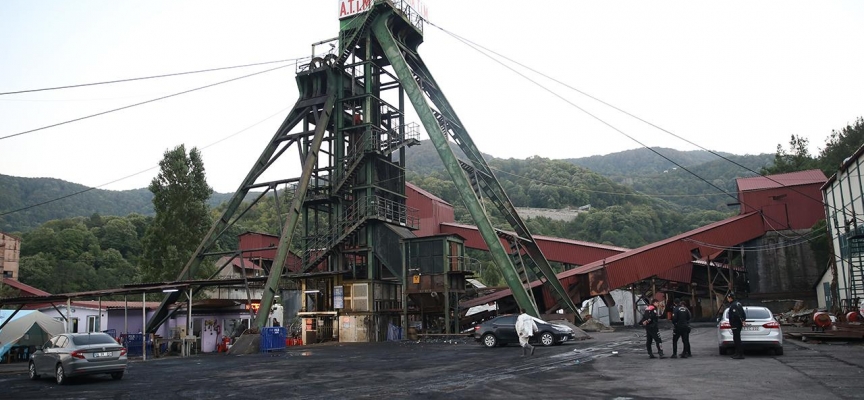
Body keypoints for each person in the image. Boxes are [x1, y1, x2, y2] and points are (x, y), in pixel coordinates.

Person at [726, 292, 747, 359]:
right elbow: (743, 314)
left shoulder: (733, 305)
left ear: (730, 298)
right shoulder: (738, 304)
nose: (728, 299)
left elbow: (736, 315)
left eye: (728, 298)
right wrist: (743, 320)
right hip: (738, 324)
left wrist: (736, 322)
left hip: (736, 324)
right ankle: (737, 352)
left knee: (737, 339)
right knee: (736, 338)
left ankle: (740, 354)